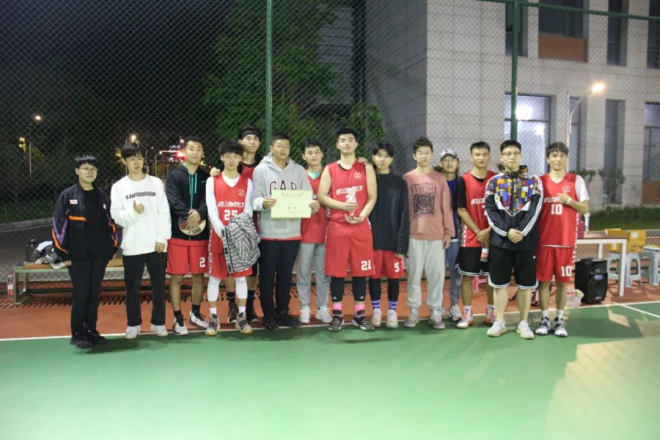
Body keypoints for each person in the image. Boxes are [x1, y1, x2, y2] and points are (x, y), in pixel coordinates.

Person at [251, 132, 319, 331]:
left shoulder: (298, 171)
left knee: (286, 276)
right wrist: (263, 202)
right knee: (266, 277)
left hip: (292, 233)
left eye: (287, 146)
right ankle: (268, 315)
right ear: (271, 148)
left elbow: (307, 197)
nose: (283, 149)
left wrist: (312, 205)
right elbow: (255, 198)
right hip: (269, 233)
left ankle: (283, 312)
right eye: (279, 145)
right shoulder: (261, 170)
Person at [52, 154, 118, 348]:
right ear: (77, 171)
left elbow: (111, 224)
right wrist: (63, 253)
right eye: (85, 168)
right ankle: (77, 334)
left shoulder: (102, 196)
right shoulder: (68, 196)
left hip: (99, 255)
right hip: (77, 256)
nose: (90, 172)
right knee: (81, 294)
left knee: (94, 294)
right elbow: (58, 226)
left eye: (93, 169)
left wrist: (112, 248)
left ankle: (91, 330)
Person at [318, 128, 378, 332]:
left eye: (350, 140)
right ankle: (337, 314)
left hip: (360, 227)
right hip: (338, 227)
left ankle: (359, 314)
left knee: (361, 271)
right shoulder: (330, 169)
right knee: (337, 271)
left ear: (356, 144)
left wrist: (362, 215)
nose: (346, 143)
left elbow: (372, 197)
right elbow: (321, 196)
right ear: (337, 145)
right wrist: (342, 206)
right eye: (342, 140)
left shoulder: (366, 167)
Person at [111, 142, 172, 340]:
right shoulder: (119, 187)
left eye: (139, 158)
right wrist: (133, 213)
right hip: (133, 246)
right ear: (124, 161)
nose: (136, 163)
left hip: (156, 245)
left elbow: (164, 212)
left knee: (158, 286)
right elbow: (117, 216)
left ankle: (158, 323)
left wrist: (162, 237)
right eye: (132, 159)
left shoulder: (155, 183)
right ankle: (133, 324)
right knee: (132, 287)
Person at [485, 140, 543, 340]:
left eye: (515, 153)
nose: (512, 156)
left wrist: (520, 232)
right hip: (500, 243)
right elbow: (490, 212)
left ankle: (523, 323)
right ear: (502, 157)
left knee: (525, 285)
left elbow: (535, 211)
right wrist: (506, 232)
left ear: (520, 156)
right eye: (507, 153)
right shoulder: (493, 183)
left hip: (525, 243)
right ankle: (499, 321)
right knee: (499, 284)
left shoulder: (533, 181)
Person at [536, 142, 590, 338]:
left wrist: (569, 200)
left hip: (566, 242)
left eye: (561, 156)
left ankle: (559, 319)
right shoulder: (540, 181)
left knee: (562, 283)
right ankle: (544, 318)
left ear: (567, 158)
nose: (558, 159)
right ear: (548, 159)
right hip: (543, 241)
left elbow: (585, 208)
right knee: (543, 282)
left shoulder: (576, 181)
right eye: (554, 155)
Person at [403, 137, 454, 330]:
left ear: (432, 155)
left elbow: (446, 207)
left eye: (427, 152)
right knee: (414, 275)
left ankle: (435, 311)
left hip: (436, 236)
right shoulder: (407, 179)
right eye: (420, 153)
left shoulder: (439, 179)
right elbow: (403, 209)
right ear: (414, 156)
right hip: (414, 235)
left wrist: (448, 232)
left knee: (437, 276)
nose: (423, 156)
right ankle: (414, 311)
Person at [205, 140, 256, 335]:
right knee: (214, 279)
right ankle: (213, 319)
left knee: (241, 279)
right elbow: (212, 210)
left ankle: (241, 317)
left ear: (241, 158)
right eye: (227, 156)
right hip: (219, 238)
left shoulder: (247, 183)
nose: (231, 159)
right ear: (221, 158)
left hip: (239, 238)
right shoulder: (212, 181)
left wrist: (234, 232)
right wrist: (223, 232)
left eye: (235, 156)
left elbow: (248, 210)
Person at [165, 137, 210, 335]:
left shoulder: (207, 177)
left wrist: (200, 213)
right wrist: (188, 215)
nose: (195, 152)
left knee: (199, 276)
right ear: (184, 151)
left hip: (200, 236)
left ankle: (196, 313)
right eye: (191, 148)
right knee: (176, 277)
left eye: (198, 149)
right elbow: (172, 198)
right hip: (178, 236)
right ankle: (178, 319)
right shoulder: (174, 176)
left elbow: (210, 199)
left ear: (202, 153)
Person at [455, 142, 497, 329]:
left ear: (489, 156)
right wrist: (479, 231)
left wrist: (489, 230)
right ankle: (467, 313)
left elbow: (501, 209)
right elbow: (461, 210)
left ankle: (491, 312)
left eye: (484, 154)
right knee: (467, 276)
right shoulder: (463, 180)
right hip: (471, 237)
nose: (481, 158)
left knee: (491, 277)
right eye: (477, 155)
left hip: (493, 237)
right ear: (471, 157)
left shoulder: (496, 179)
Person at [368, 142, 409, 329]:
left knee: (394, 278)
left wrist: (401, 244)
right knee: (373, 277)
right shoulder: (368, 180)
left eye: (386, 156)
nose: (382, 159)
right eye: (379, 155)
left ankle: (392, 312)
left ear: (392, 159)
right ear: (373, 158)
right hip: (372, 240)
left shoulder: (400, 183)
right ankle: (376, 310)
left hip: (393, 241)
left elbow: (404, 214)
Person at [297, 139, 332, 324]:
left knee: (323, 273)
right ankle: (304, 307)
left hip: (326, 233)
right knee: (303, 272)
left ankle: (322, 307)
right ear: (303, 156)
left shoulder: (329, 175)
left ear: (322, 154)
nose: (313, 155)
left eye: (316, 152)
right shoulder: (299, 175)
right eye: (309, 152)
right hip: (304, 233)